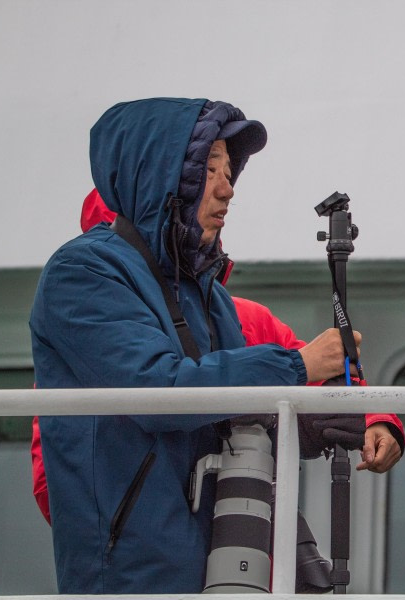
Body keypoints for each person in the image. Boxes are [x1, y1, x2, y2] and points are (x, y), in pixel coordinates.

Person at [29, 98, 373, 593]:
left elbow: (224, 422)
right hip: (132, 578)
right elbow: (158, 391)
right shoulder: (82, 273)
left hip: (217, 570)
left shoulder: (202, 289)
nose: (227, 188)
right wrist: (297, 366)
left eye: (230, 171)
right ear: (161, 175)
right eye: (209, 168)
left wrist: (308, 422)